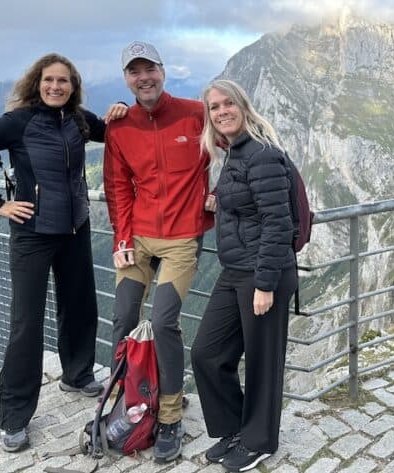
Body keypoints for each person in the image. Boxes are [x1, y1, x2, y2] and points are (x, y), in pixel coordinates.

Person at [0, 53, 126, 452]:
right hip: (31, 234)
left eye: (63, 81)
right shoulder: (17, 122)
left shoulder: (80, 119)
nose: (56, 87)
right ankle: (13, 416)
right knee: (26, 324)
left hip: (75, 228)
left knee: (80, 304)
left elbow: (117, 133)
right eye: (49, 80)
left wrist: (120, 111)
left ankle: (78, 374)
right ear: (37, 82)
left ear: (73, 85)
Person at [103, 40, 214, 463]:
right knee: (123, 318)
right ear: (127, 79)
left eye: (149, 69)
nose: (143, 77)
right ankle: (126, 399)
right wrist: (121, 240)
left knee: (164, 322)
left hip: (183, 238)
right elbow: (117, 187)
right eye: (134, 71)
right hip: (139, 238)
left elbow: (235, 148)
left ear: (163, 72)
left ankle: (169, 416)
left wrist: (220, 191)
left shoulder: (195, 113)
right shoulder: (119, 126)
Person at [190, 79, 298, 472]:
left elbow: (277, 221)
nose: (221, 111)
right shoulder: (236, 153)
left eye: (227, 103)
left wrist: (266, 283)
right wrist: (218, 201)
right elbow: (249, 203)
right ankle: (235, 426)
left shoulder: (263, 154)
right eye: (214, 107)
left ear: (243, 106)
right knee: (207, 353)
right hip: (235, 270)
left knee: (262, 362)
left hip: (263, 273)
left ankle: (259, 441)